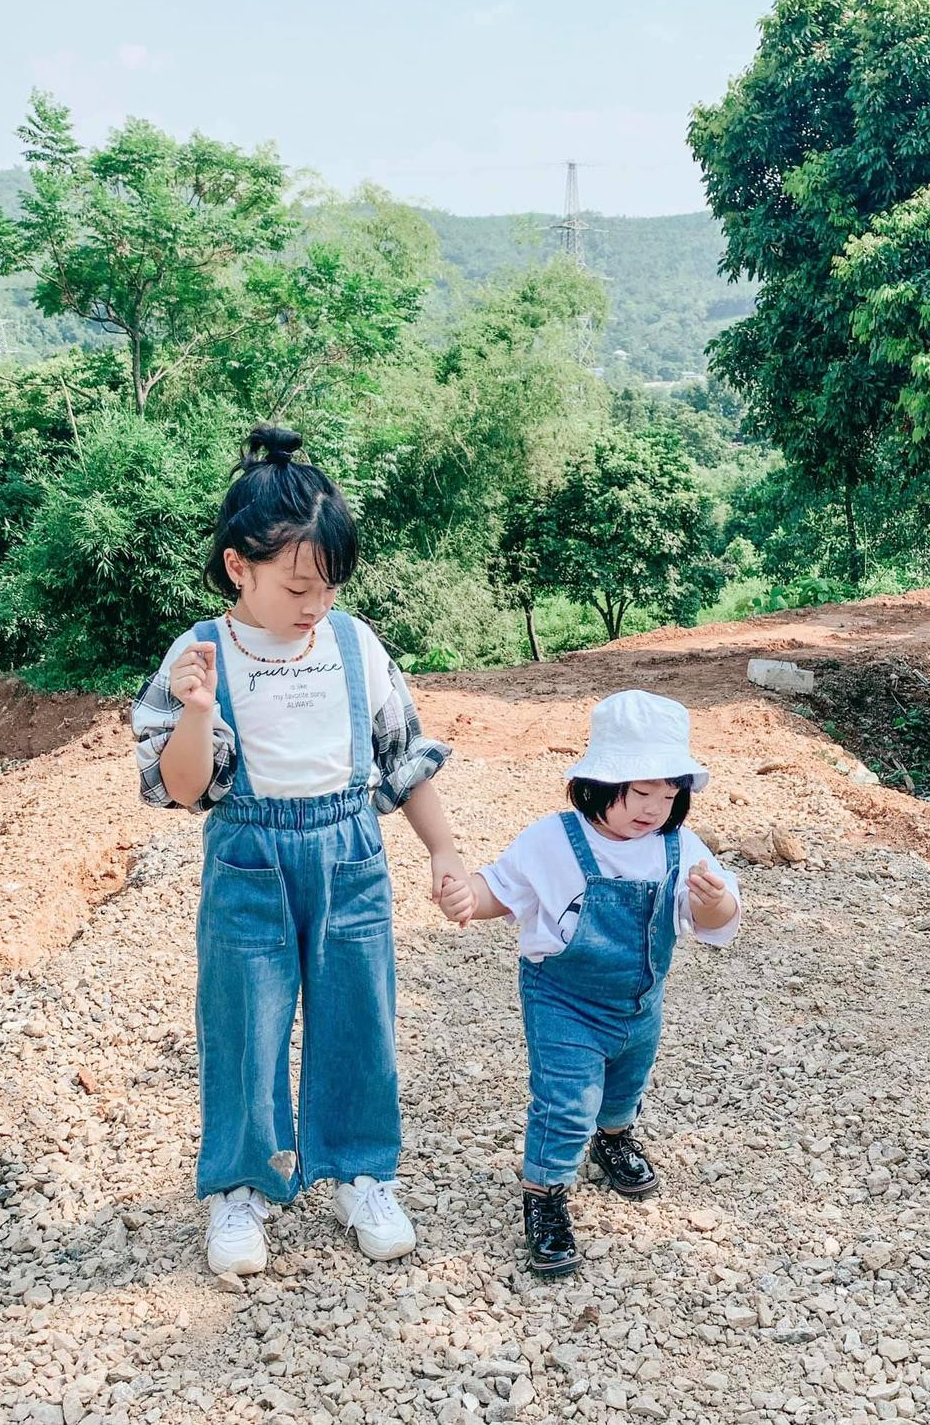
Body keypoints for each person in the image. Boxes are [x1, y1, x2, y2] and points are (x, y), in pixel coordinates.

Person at [132, 425, 470, 1275]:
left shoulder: (356, 645)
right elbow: (178, 787)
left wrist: (444, 851)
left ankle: (360, 1172)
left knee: (359, 1016)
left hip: (351, 849)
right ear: (238, 566)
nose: (314, 603)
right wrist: (202, 710)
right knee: (243, 1021)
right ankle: (240, 1191)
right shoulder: (197, 654)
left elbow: (403, 758)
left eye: (328, 584)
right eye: (296, 584)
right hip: (247, 853)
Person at [438, 690, 741, 1276]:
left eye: (668, 794)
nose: (654, 808)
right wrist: (463, 898)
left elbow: (713, 922)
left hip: (640, 999)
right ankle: (544, 1194)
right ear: (597, 785)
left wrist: (715, 902)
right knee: (566, 1101)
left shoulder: (678, 848)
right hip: (564, 1000)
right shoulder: (552, 840)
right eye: (641, 792)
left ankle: (614, 1138)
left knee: (626, 1083)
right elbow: (499, 890)